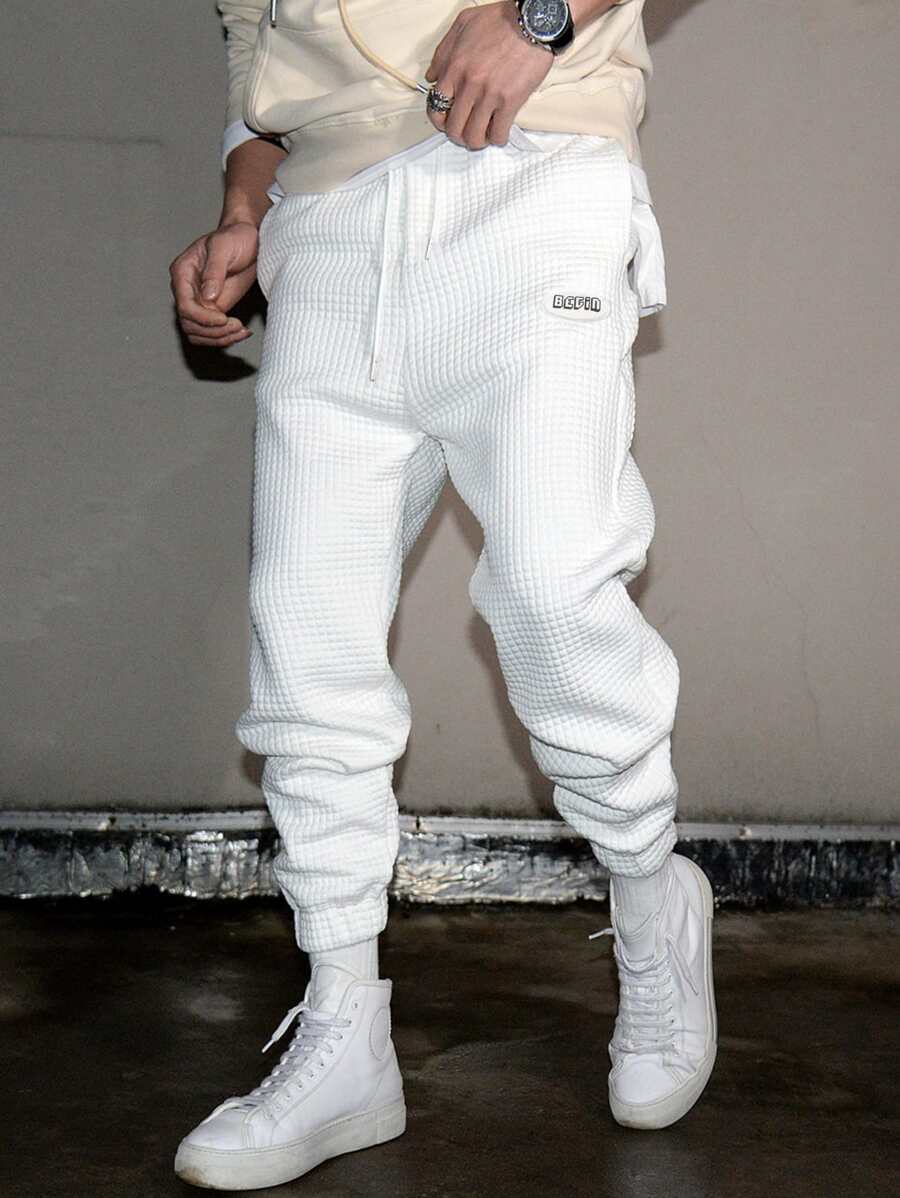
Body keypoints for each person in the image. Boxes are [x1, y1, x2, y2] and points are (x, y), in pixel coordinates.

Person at [169, 0, 717, 1189]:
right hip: (324, 223)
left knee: (553, 588)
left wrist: (541, 16)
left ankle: (650, 889)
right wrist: (244, 210)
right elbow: (254, 40)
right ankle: (343, 1026)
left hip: (532, 171)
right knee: (305, 638)